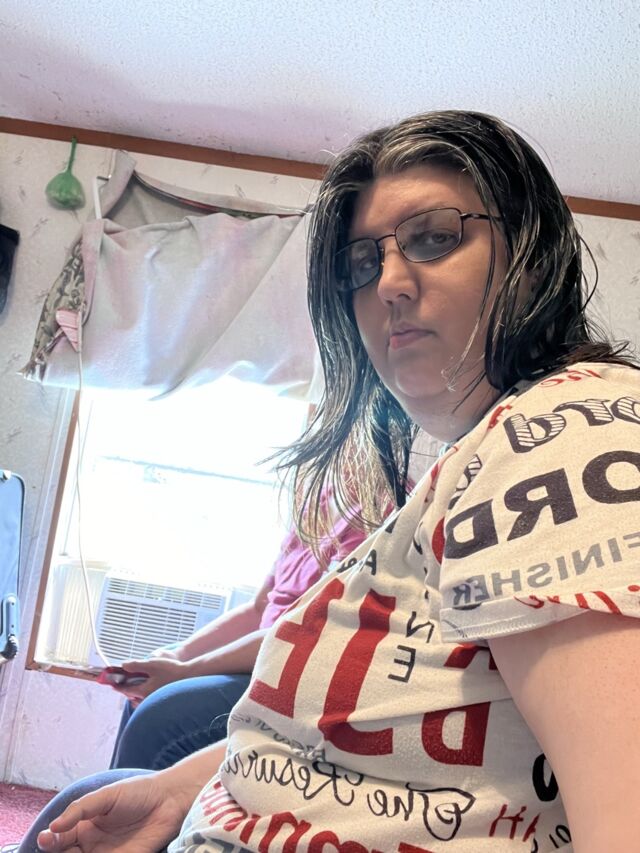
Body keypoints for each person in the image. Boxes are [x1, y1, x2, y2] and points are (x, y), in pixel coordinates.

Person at [30, 110, 640, 852]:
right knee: (84, 801)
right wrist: (186, 786)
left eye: (435, 237)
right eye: (360, 264)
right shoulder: (465, 468)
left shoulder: (567, 434)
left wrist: (187, 674)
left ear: (532, 257)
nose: (388, 283)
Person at [106, 508, 368, 770]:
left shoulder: (370, 517)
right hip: (262, 653)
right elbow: (259, 608)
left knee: (161, 713)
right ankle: (115, 790)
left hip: (291, 674)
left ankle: (131, 793)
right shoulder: (315, 502)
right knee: (148, 677)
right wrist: (180, 654)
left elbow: (301, 632)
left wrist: (185, 672)